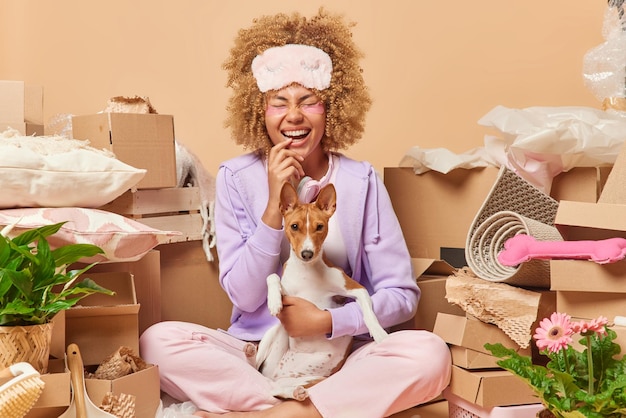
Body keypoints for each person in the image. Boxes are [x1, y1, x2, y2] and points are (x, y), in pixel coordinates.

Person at [139, 8, 451, 418]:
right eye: (278, 102)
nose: (293, 116)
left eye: (309, 100)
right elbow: (246, 296)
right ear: (258, 110)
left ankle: (286, 412)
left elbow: (400, 296)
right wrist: (273, 208)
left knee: (429, 353)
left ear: (333, 107)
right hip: (256, 354)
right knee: (157, 342)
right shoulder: (235, 177)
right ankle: (307, 406)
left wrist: (327, 322)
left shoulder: (360, 182)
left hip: (338, 356)